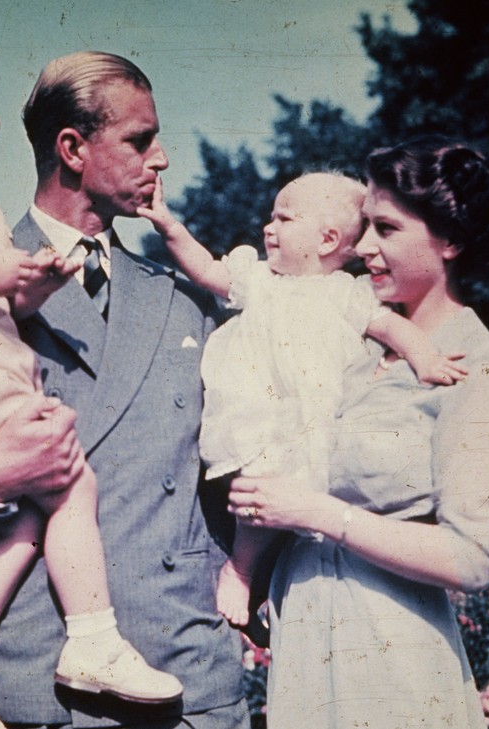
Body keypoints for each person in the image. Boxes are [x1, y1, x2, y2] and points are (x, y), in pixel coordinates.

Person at [0, 50, 251, 728]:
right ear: (73, 148)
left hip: (183, 674)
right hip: (39, 682)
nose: (162, 158)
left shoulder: (182, 299)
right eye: (141, 139)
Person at [226, 136, 489, 727]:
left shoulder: (483, 365)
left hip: (394, 664)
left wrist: (317, 513)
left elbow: (470, 559)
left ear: (450, 240)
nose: (363, 246)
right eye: (364, 227)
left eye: (387, 231)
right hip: (305, 651)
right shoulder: (350, 352)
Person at [138, 171, 468, 627]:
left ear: (328, 239)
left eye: (284, 219)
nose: (267, 228)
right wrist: (169, 227)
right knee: (261, 490)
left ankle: (277, 588)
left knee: (306, 501)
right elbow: (209, 270)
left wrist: (425, 357)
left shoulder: (346, 294)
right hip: (259, 411)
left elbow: (393, 327)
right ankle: (241, 568)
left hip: (315, 418)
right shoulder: (260, 281)